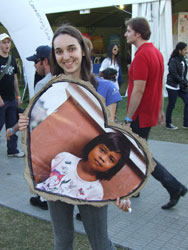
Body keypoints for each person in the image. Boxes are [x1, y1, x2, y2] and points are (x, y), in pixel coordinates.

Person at [19, 24, 131, 250]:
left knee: (100, 243)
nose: (65, 56)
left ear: (82, 50)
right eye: (59, 51)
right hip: (59, 173)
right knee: (62, 241)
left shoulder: (103, 88)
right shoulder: (47, 89)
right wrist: (25, 125)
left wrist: (122, 186)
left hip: (93, 180)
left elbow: (112, 139)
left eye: (71, 49)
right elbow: (37, 135)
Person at [124, 17, 187, 209]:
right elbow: (158, 84)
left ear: (138, 33)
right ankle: (136, 187)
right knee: (136, 151)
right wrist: (159, 109)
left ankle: (173, 186)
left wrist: (128, 117)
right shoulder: (156, 53)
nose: (126, 33)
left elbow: (139, 90)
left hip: (140, 114)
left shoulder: (143, 55)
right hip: (148, 112)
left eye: (128, 30)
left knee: (139, 152)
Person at [6, 45, 52, 210]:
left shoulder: (43, 84)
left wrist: (13, 130)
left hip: (45, 135)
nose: (34, 65)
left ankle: (44, 199)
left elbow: (34, 117)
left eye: (36, 61)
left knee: (43, 167)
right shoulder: (64, 79)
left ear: (45, 61)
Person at [36, 132, 130, 200]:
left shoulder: (96, 191)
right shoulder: (64, 158)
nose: (103, 158)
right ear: (93, 145)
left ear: (113, 168)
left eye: (111, 159)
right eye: (102, 150)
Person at [0, 33, 24, 157]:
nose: (7, 45)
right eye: (4, 42)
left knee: (12, 124)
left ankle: (12, 150)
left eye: (8, 42)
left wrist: (18, 96)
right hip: (1, 99)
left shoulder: (12, 59)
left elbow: (15, 78)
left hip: (11, 99)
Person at [165, 42, 188, 130]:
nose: (186, 51)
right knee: (172, 104)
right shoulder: (173, 60)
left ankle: (186, 123)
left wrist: (184, 82)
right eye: (185, 49)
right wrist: (183, 82)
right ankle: (168, 123)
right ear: (180, 50)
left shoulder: (182, 60)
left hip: (181, 86)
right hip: (172, 86)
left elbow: (183, 74)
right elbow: (174, 74)